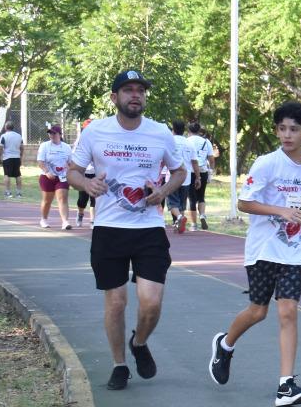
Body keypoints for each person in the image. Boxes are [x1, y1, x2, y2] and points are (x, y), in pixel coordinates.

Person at [66, 69, 185, 390]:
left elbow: (179, 171)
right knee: (116, 302)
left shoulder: (160, 133)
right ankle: (119, 364)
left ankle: (140, 343)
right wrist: (87, 183)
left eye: (140, 90)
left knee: (151, 302)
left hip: (148, 229)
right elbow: (73, 171)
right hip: (108, 228)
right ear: (114, 97)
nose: (135, 95)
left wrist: (162, 192)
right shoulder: (95, 132)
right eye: (128, 90)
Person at [208, 102, 301, 406]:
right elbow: (245, 203)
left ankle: (286, 385)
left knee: (288, 311)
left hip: (295, 251)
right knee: (258, 311)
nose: (287, 135)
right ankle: (225, 344)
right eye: (282, 129)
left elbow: (299, 198)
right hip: (262, 249)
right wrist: (281, 211)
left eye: (294, 129)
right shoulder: (266, 163)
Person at [35, 124, 74, 229]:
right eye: (50, 133)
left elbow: (70, 162)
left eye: (53, 133)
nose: (51, 135)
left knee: (62, 198)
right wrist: (47, 172)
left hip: (62, 177)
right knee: (47, 200)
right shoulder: (44, 146)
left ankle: (65, 222)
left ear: (60, 134)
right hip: (47, 177)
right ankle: (44, 219)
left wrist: (71, 171)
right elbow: (40, 161)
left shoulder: (66, 147)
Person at [165, 121, 195, 234]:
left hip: (172, 177)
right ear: (184, 130)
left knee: (172, 202)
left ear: (173, 129)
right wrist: (198, 177)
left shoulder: (170, 142)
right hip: (186, 178)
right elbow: (195, 162)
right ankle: (179, 224)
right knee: (182, 203)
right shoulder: (189, 143)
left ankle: (179, 218)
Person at [189, 121, 215, 228]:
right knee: (201, 196)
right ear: (199, 131)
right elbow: (211, 159)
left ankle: (193, 224)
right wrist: (211, 172)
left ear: (189, 131)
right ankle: (202, 215)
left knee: (191, 198)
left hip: (191, 171)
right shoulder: (206, 142)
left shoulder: (187, 141)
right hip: (203, 170)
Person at [0, 120, 24, 198]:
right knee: (18, 175)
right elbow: (22, 148)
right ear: (13, 128)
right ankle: (19, 193)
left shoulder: (4, 136)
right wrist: (20, 156)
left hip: (7, 158)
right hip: (17, 158)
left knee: (7, 175)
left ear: (6, 127)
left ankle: (8, 192)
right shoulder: (19, 136)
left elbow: (0, 148)